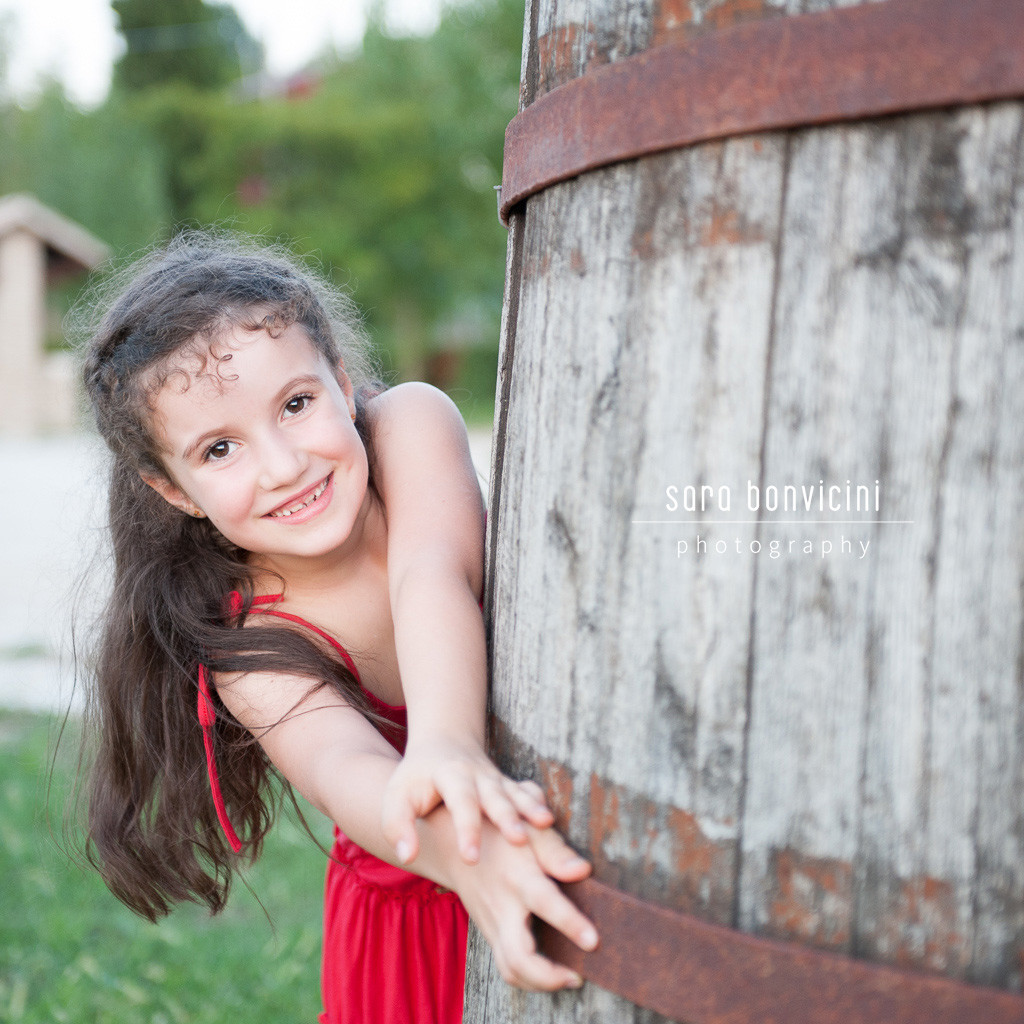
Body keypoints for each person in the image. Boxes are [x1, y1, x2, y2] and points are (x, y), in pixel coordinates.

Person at [77, 232, 598, 1024]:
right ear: (173, 491)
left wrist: (446, 746)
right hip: (409, 906)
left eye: (296, 404)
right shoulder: (247, 644)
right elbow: (344, 769)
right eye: (221, 449)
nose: (284, 465)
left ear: (344, 382)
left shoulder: (408, 427)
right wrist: (473, 856)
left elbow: (432, 572)